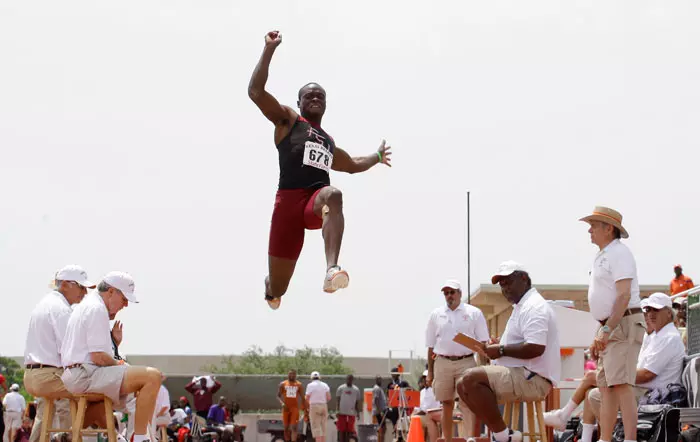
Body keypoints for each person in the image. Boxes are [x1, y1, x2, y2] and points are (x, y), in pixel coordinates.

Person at [247, 30, 393, 310]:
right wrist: (268, 50)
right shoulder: (289, 121)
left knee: (333, 194)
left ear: (325, 104)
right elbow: (256, 92)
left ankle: (331, 270)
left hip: (315, 203)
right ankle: (270, 287)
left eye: (320, 96)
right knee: (279, 289)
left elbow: (351, 165)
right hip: (288, 205)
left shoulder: (327, 142)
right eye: (309, 96)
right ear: (299, 102)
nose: (315, 98)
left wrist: (376, 157)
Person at [544, 293, 685, 442]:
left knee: (594, 386)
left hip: (652, 395)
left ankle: (569, 418)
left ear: (669, 313)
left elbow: (647, 374)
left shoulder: (668, 337)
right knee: (592, 391)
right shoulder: (658, 336)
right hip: (645, 391)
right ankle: (583, 434)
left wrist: (617, 373)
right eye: (647, 310)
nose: (649, 315)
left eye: (655, 310)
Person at [457, 261, 560, 442]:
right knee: (461, 385)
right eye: (502, 284)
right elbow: (521, 343)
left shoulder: (534, 306)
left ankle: (502, 436)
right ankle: (503, 434)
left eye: (508, 282)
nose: (505, 288)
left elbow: (536, 348)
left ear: (524, 279)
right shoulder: (521, 307)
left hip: (533, 378)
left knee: (470, 379)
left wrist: (502, 349)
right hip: (521, 374)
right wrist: (499, 345)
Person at [61, 271, 162, 442]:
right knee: (152, 377)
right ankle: (139, 438)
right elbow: (98, 357)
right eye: (124, 299)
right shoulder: (97, 308)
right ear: (111, 292)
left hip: (77, 374)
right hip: (85, 374)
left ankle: (73, 434)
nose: (125, 305)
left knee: (130, 389)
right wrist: (120, 364)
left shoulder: (89, 305)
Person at [580, 206, 645, 442]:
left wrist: (607, 328)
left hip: (622, 321)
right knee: (607, 386)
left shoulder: (619, 253)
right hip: (613, 322)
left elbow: (624, 295)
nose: (589, 230)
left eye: (594, 225)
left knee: (621, 384)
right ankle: (605, 438)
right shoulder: (608, 254)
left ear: (609, 229)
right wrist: (603, 328)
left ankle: (629, 439)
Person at [23, 265, 96, 442]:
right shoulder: (61, 309)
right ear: (65, 285)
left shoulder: (45, 303)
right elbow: (72, 352)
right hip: (51, 375)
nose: (84, 292)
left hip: (34, 375)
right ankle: (65, 437)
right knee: (95, 393)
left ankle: (53, 437)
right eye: (81, 286)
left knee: (44, 414)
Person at [425, 279, 489, 442]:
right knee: (446, 403)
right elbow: (431, 346)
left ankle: (468, 439)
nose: (449, 296)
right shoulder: (436, 314)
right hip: (442, 362)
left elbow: (483, 342)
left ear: (460, 294)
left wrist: (485, 368)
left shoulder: (474, 313)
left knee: (467, 402)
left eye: (452, 292)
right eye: (446, 293)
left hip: (466, 361)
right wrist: (430, 372)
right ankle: (447, 439)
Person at [413, 372, 441, 442]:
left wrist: (417, 412)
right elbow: (417, 407)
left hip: (431, 415)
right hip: (422, 416)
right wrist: (415, 413)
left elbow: (427, 408)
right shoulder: (422, 392)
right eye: (424, 379)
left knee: (427, 420)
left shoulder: (435, 390)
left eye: (426, 378)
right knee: (416, 419)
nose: (425, 380)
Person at [278, 370, 304, 442]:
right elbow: (278, 396)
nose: (292, 375)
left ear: (296, 375)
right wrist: (282, 403)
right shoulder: (283, 384)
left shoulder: (299, 384)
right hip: (286, 408)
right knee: (286, 427)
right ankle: (287, 439)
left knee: (294, 427)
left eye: (293, 374)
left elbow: (302, 397)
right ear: (288, 375)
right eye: (290, 374)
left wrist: (304, 408)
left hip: (295, 408)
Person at [304, 372, 330, 442]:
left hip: (314, 406)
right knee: (323, 427)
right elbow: (328, 398)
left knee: (316, 428)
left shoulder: (310, 385)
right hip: (324, 406)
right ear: (319, 377)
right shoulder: (325, 385)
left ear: (311, 378)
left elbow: (306, 398)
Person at [336, 375, 361, 442]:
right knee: (341, 430)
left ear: (352, 380)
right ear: (346, 379)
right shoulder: (341, 388)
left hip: (351, 413)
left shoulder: (356, 389)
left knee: (350, 430)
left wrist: (358, 412)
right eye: (348, 379)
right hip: (342, 413)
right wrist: (337, 410)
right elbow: (338, 400)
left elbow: (357, 403)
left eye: (350, 379)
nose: (349, 380)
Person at [371, 377, 388, 442]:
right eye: (379, 380)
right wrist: (379, 411)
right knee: (381, 429)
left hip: (380, 411)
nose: (380, 381)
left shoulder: (379, 388)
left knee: (383, 428)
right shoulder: (377, 388)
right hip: (378, 412)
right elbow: (376, 400)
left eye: (381, 379)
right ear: (376, 380)